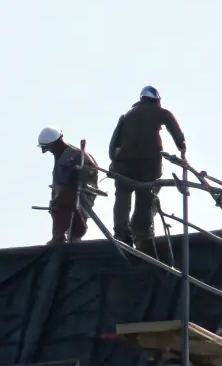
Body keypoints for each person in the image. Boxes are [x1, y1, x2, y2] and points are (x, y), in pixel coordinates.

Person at [108, 86, 187, 255]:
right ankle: (141, 233)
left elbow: (113, 143)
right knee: (145, 198)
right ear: (157, 99)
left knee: (122, 198)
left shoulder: (127, 115)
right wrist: (182, 147)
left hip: (124, 166)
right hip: (148, 166)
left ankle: (121, 234)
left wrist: (114, 162)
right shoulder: (161, 112)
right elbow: (176, 131)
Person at [38, 128, 98, 244]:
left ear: (57, 143)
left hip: (80, 196)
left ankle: (66, 239)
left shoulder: (75, 156)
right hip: (66, 197)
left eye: (49, 147)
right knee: (60, 208)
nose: (49, 151)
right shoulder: (61, 155)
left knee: (70, 213)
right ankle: (60, 238)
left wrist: (66, 193)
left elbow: (87, 178)